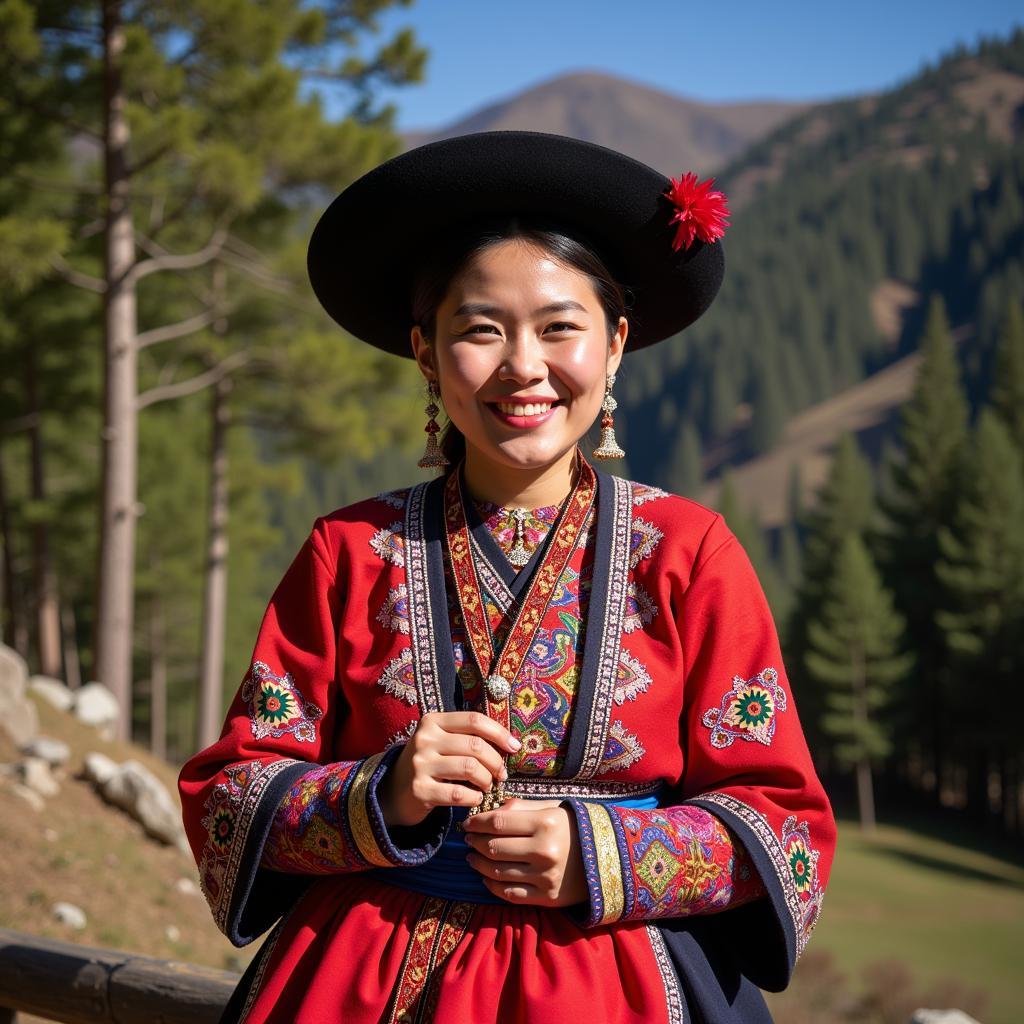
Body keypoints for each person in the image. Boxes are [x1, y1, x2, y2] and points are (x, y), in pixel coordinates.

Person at [178, 130, 836, 1024]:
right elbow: (229, 799)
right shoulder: (349, 549)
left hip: (616, 980)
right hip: (359, 977)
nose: (524, 366)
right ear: (424, 353)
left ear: (614, 347)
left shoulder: (687, 551)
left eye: (561, 326)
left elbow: (786, 826)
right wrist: (384, 793)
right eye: (480, 329)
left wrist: (601, 852)